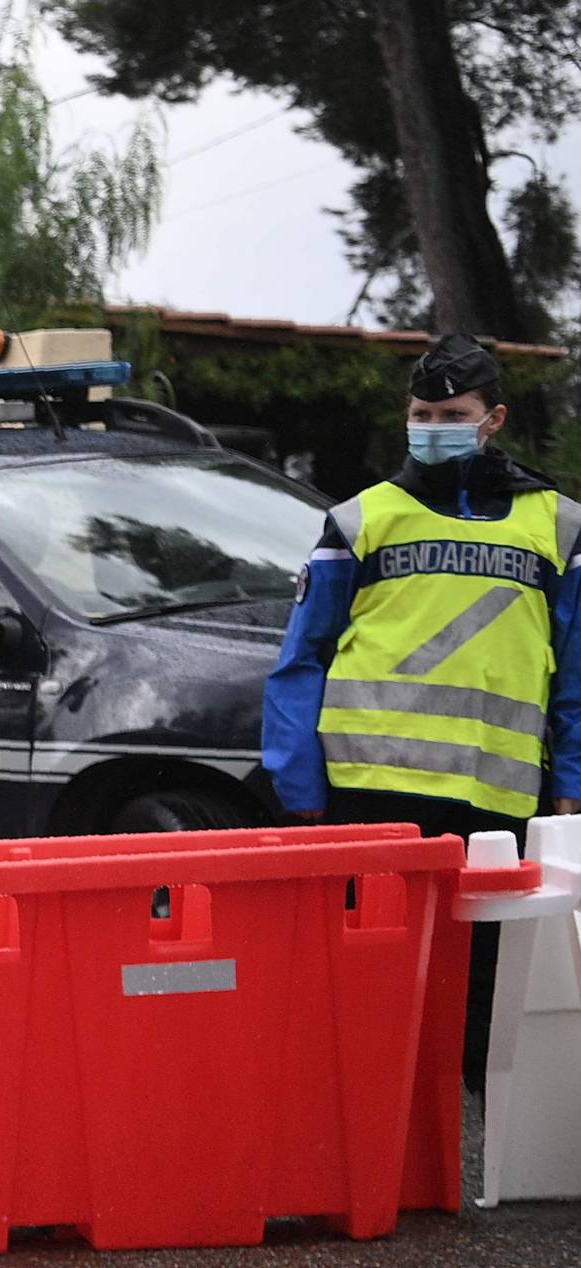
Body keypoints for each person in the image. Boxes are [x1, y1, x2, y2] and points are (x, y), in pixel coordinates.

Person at [262, 330, 581, 1087]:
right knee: (365, 978)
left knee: (477, 989)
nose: (433, 427)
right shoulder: (361, 519)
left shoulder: (560, 527)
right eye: (422, 412)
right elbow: (302, 659)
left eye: (452, 413)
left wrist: (570, 782)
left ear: (493, 418)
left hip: (494, 794)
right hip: (367, 790)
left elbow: (575, 677)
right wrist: (300, 785)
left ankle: (461, 1153)